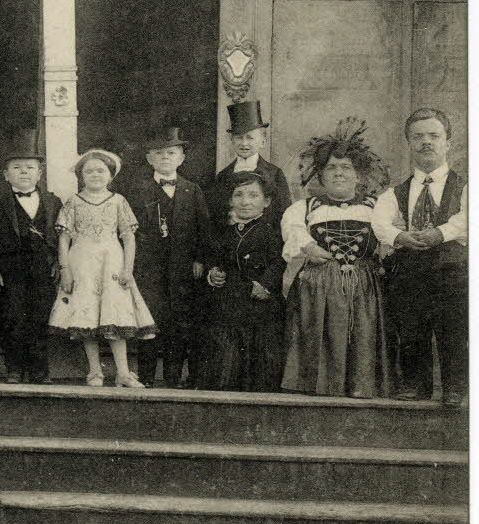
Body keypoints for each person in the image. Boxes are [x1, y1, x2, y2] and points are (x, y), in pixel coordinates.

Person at [280, 117, 391, 399]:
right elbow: (292, 231)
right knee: (320, 336)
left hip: (363, 285)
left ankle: (359, 390)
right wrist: (307, 246)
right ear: (321, 174)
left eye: (346, 167)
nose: (338, 173)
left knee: (362, 336)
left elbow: (391, 236)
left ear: (358, 174)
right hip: (318, 286)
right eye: (331, 167)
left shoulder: (375, 207)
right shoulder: (305, 207)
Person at [371, 107, 468, 407]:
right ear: (409, 144)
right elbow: (379, 222)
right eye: (418, 137)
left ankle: (454, 388)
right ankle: (415, 385)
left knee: (453, 330)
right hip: (411, 273)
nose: (426, 142)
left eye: (434, 136)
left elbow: (468, 218)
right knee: (411, 330)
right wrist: (399, 236)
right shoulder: (396, 192)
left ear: (448, 142)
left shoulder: (465, 186)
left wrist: (440, 233)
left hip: (452, 273)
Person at [47, 149, 155, 387]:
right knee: (87, 316)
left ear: (111, 175)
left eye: (101, 170)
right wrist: (65, 269)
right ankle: (95, 371)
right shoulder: (73, 202)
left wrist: (128, 268)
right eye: (89, 171)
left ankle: (123, 372)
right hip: (82, 261)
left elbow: (128, 237)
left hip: (112, 262)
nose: (95, 175)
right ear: (81, 175)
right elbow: (64, 238)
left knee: (114, 313)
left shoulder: (118, 201)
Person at [120, 127, 210, 388]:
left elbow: (203, 229)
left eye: (171, 153)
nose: (165, 158)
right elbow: (127, 229)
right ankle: (146, 376)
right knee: (148, 322)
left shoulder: (192, 191)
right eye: (159, 153)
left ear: (182, 157)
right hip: (148, 269)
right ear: (149, 158)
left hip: (183, 270)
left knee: (179, 324)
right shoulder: (138, 191)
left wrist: (199, 259)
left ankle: (172, 378)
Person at [0, 134, 63, 383]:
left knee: (40, 318)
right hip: (10, 270)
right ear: (6, 174)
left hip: (43, 269)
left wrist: (60, 263)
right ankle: (14, 369)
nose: (23, 172)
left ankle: (40, 371)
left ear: (39, 173)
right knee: (13, 318)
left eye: (30, 168)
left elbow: (63, 236)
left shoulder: (52, 201)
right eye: (16, 168)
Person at [201, 171, 285, 392]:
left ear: (266, 201)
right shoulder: (221, 231)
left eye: (253, 195)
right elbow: (212, 257)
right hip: (226, 302)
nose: (245, 202)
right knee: (224, 355)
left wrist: (265, 284)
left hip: (258, 303)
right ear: (230, 200)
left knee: (258, 358)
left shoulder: (272, 231)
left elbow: (279, 262)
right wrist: (212, 274)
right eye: (238, 195)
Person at [208, 101, 292, 231]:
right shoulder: (223, 176)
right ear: (232, 140)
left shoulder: (274, 173)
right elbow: (216, 215)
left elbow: (284, 214)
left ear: (262, 141)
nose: (244, 143)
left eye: (250, 138)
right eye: (239, 138)